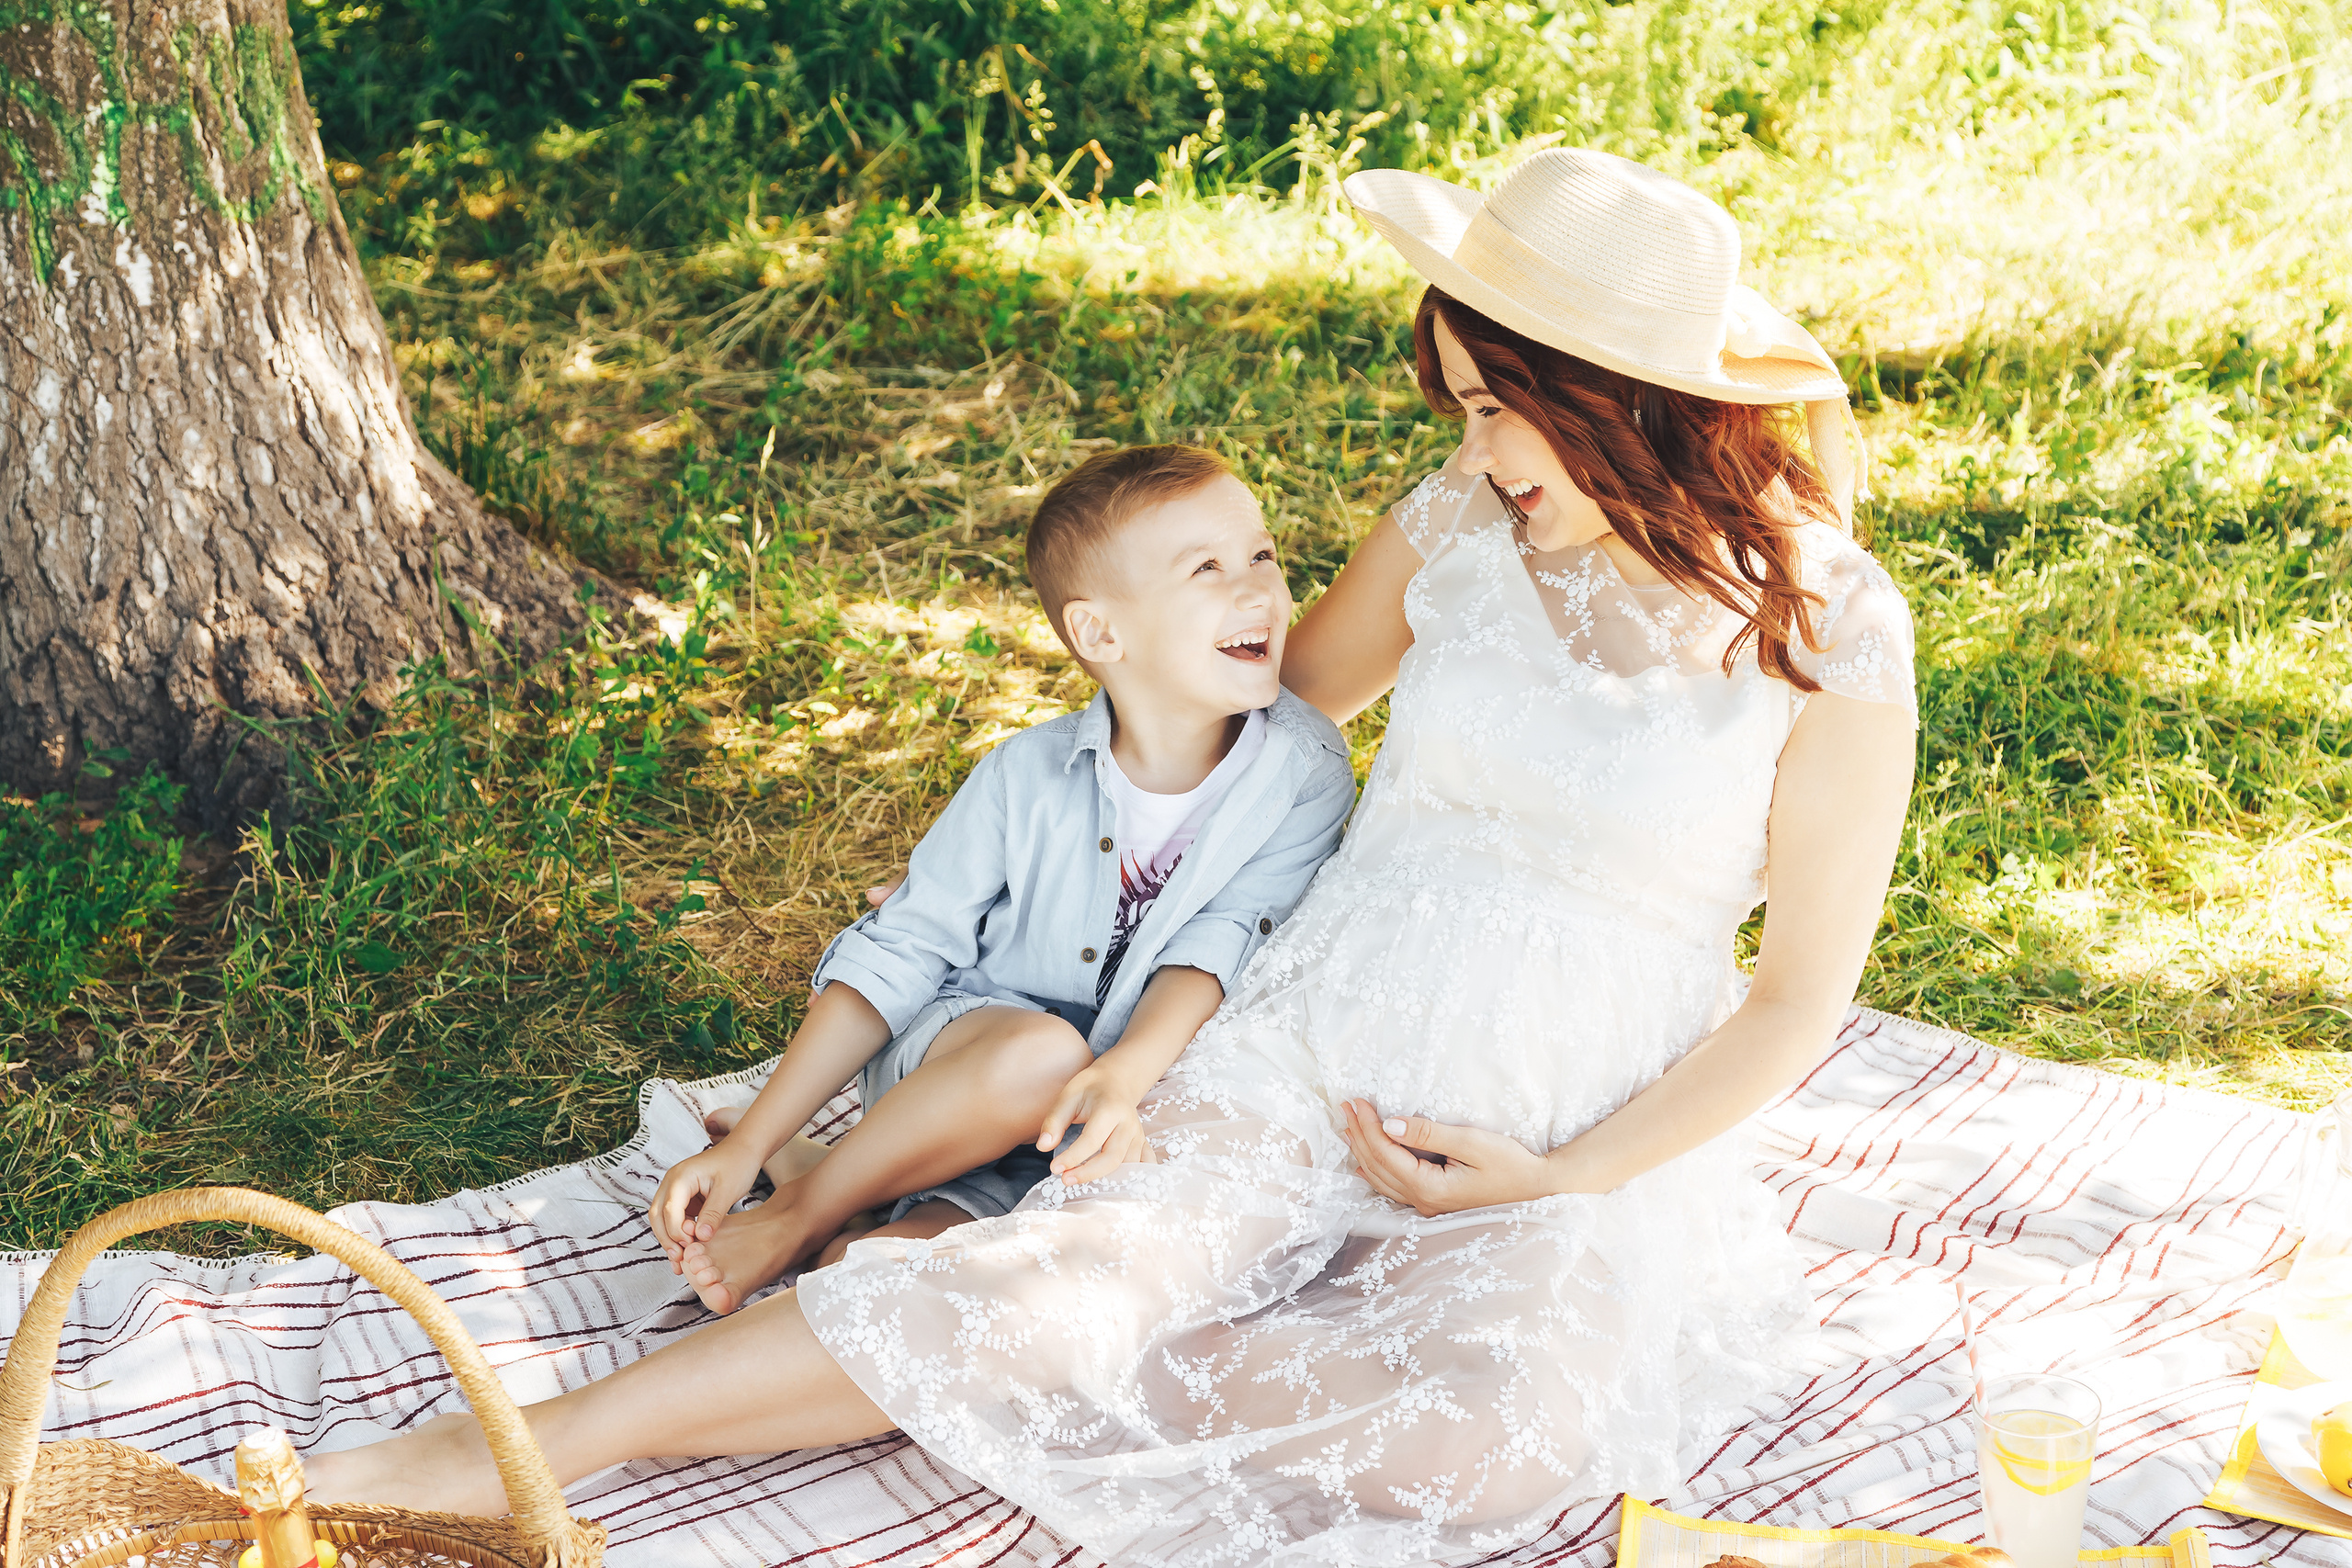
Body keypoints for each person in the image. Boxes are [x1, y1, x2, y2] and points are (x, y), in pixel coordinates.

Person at [305, 148, 1918, 1567]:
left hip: (1574, 1128)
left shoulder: (1830, 628)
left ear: (1619, 396)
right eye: (1466, 408)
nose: (1476, 445)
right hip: (1317, 1042)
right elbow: (1255, 706)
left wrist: (1563, 1178)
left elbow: (1796, 1001)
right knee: (1069, 1293)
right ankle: (512, 1451)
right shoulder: (1462, 522)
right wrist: (1031, 865)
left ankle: (936, 1303)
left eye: (1502, 409)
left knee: (1494, 1442)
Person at [652, 443, 1358, 1313]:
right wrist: (750, 1140)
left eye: (1262, 555)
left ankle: (850, 1190)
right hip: (967, 1063)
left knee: (877, 1278)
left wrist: (1124, 1075)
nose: (1258, 589)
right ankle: (802, 1205)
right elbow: (900, 950)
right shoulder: (1023, 776)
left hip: (1094, 1112)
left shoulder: (1304, 770)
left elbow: (1220, 943)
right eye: (1205, 569)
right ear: (1100, 633)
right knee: (1041, 1054)